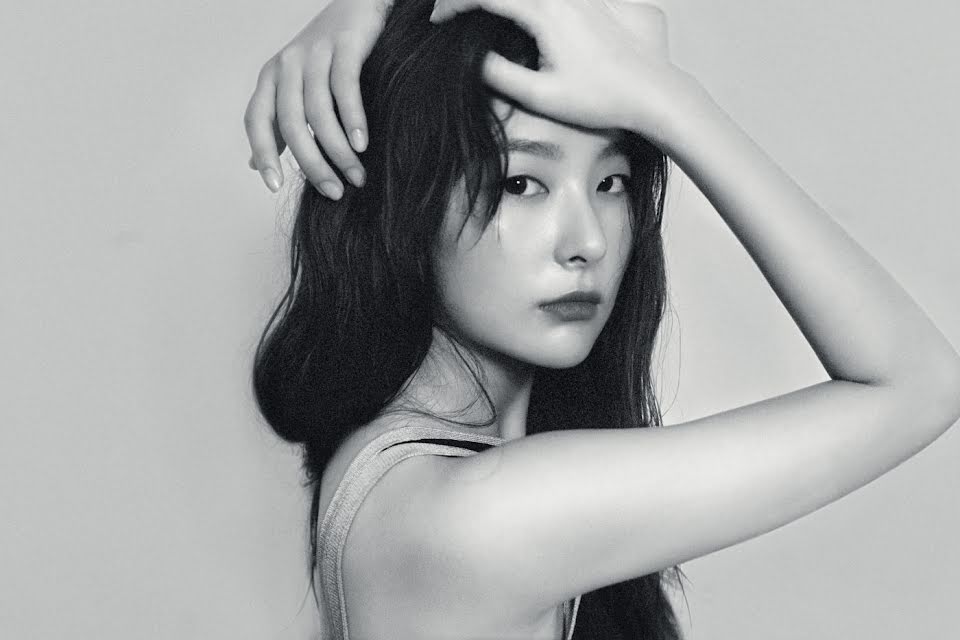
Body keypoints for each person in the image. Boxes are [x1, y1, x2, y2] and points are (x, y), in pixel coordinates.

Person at [246, 0, 960, 638]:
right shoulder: (478, 519)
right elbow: (917, 382)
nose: (586, 240)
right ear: (405, 202)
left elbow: (632, 24)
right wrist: (675, 103)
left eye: (612, 182)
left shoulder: (398, 470)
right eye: (521, 182)